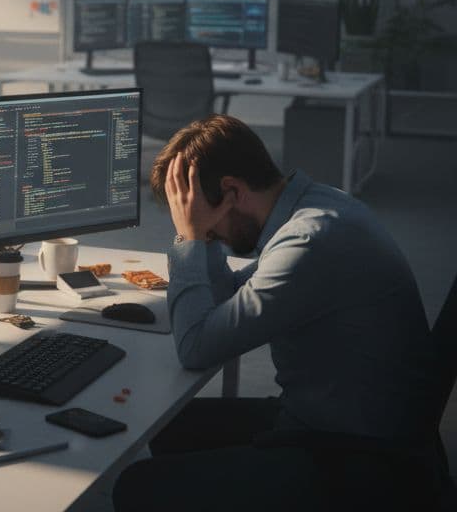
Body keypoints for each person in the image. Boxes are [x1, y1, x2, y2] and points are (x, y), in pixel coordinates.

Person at [112, 114, 443, 512]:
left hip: (360, 455)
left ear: (231, 191)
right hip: (340, 416)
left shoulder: (309, 243)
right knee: (168, 427)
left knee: (136, 486)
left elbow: (197, 346)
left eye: (204, 219)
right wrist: (204, 231)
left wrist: (190, 238)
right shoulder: (319, 206)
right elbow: (225, 300)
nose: (210, 235)